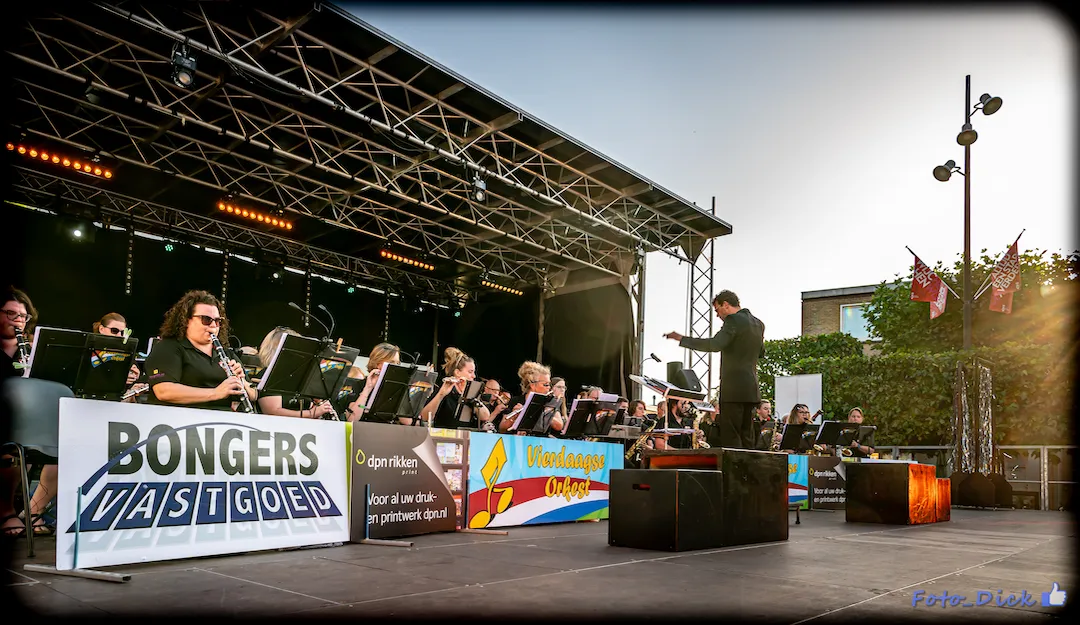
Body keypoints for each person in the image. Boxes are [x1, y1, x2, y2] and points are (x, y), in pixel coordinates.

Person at [664, 290, 765, 449]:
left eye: (717, 310)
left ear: (726, 304)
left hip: (733, 388)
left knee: (732, 436)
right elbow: (761, 352)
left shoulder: (733, 320)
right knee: (747, 436)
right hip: (751, 389)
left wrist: (682, 339)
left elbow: (715, 344)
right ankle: (747, 472)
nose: (718, 315)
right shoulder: (758, 323)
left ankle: (733, 473)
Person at [144, 290, 256, 411]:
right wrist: (215, 393)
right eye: (206, 319)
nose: (213, 325)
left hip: (221, 423)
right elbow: (164, 391)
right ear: (186, 320)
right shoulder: (168, 347)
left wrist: (242, 381)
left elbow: (254, 394)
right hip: (180, 421)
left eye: (218, 321)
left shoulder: (227, 354)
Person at [1, 287, 53, 538]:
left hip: (26, 420)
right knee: (11, 453)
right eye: (11, 314)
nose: (18, 320)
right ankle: (6, 512)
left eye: (23, 316)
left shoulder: (32, 350)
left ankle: (34, 511)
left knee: (56, 446)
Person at [254, 326, 335, 420]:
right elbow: (272, 411)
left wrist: (318, 406)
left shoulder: (300, 376)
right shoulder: (267, 375)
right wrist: (311, 413)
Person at [421, 347, 492, 430]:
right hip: (444, 438)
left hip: (468, 438)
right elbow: (425, 417)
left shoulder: (473, 393)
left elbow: (485, 417)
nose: (474, 376)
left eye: (474, 372)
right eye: (470, 372)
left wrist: (472, 398)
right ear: (457, 372)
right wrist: (441, 394)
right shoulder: (444, 389)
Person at [499, 361, 564, 436]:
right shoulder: (516, 401)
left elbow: (559, 426)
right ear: (533, 385)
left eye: (549, 384)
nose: (549, 388)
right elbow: (502, 429)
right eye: (545, 385)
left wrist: (542, 412)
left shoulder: (550, 402)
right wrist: (514, 417)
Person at [348, 343, 403, 423]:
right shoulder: (360, 385)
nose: (396, 367)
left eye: (397, 363)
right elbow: (352, 419)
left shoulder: (399, 387)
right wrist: (367, 389)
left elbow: (407, 421)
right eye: (391, 362)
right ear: (378, 364)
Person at [93, 312, 143, 401]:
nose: (119, 335)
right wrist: (120, 379)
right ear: (101, 329)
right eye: (114, 331)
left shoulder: (125, 350)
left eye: (122, 332)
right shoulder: (91, 348)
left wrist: (135, 377)